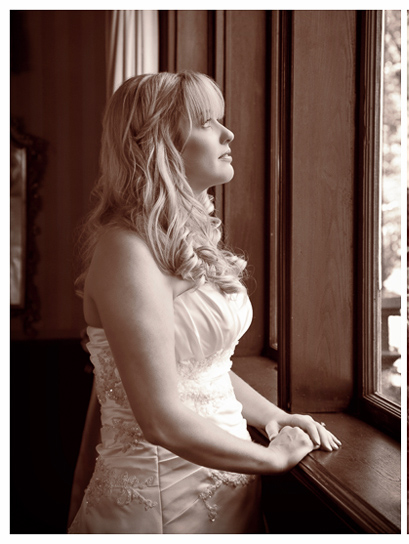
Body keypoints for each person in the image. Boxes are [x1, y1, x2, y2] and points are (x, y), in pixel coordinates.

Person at [68, 71, 341, 533]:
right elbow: (159, 419)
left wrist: (272, 416)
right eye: (208, 122)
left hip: (226, 488)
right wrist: (268, 460)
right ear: (157, 141)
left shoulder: (181, 238)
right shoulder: (126, 251)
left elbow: (200, 369)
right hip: (159, 504)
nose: (228, 133)